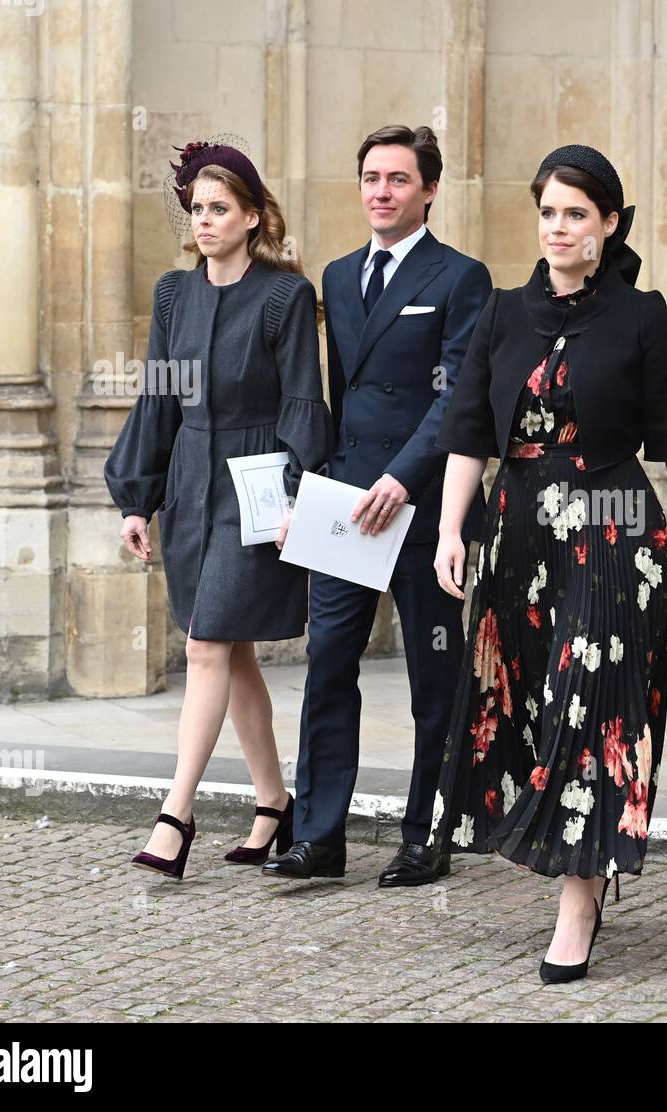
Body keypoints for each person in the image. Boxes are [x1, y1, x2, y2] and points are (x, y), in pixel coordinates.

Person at [428, 144, 667, 984]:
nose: (560, 228)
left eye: (577, 214)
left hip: (612, 530)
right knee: (523, 699)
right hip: (515, 532)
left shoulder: (642, 316)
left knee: (590, 706)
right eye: (549, 212)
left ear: (610, 224)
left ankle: (579, 897)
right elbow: (467, 435)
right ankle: (556, 855)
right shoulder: (501, 312)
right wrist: (453, 530)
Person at [262, 126, 492, 885]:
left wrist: (404, 477)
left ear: (429, 189)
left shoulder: (462, 277)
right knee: (328, 660)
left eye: (398, 178)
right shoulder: (335, 274)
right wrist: (309, 490)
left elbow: (461, 397)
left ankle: (427, 836)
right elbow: (338, 395)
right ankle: (319, 836)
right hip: (345, 506)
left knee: (434, 674)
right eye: (370, 177)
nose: (381, 191)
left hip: (425, 508)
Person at [105, 139, 332, 878]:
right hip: (189, 483)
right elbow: (160, 395)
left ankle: (177, 814)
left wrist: (298, 489)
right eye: (197, 208)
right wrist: (137, 498)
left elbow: (304, 397)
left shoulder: (285, 297)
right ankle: (274, 803)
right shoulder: (174, 294)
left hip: (257, 486)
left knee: (205, 645)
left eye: (219, 208)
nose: (204, 220)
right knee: (227, 650)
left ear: (253, 216)